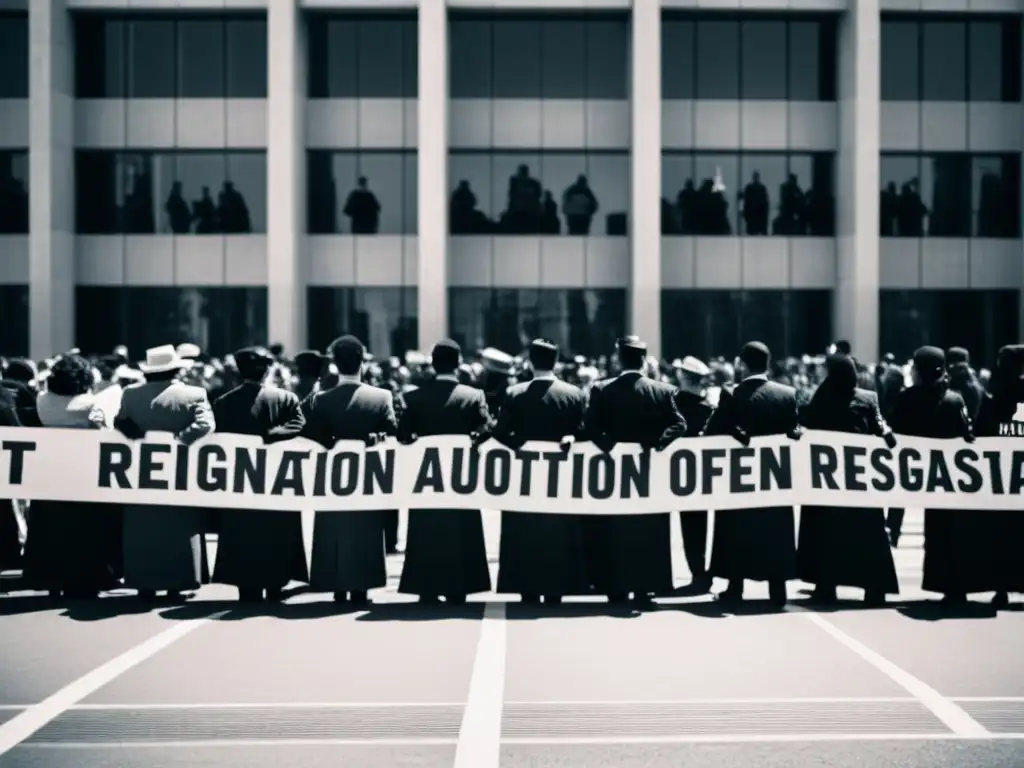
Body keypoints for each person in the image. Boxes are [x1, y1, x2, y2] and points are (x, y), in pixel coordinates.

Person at [581, 336, 687, 605]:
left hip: (614, 474)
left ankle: (615, 587)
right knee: (650, 530)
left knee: (614, 531)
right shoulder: (663, 391)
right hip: (649, 474)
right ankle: (646, 588)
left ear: (619, 358)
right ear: (643, 359)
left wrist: (608, 445)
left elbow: (589, 427)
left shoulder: (602, 390)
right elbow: (679, 424)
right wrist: (657, 443)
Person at [488, 338, 590, 603]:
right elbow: (585, 433)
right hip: (562, 481)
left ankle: (527, 589)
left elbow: (499, 433)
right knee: (559, 532)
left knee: (524, 532)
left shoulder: (514, 393)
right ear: (556, 361)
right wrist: (571, 438)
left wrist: (517, 444)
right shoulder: (574, 394)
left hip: (524, 479)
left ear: (530, 362)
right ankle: (557, 589)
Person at [796, 354, 899, 604]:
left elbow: (877, 423)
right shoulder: (831, 397)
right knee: (858, 534)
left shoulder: (856, 398)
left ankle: (840, 586)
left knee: (832, 534)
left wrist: (885, 432)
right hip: (838, 482)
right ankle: (860, 587)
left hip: (851, 482)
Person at [702, 341, 799, 607]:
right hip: (775, 480)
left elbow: (712, 432)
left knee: (736, 529)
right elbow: (795, 431)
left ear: (742, 364)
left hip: (739, 479)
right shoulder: (787, 394)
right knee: (775, 530)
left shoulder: (732, 394)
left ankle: (735, 587)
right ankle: (777, 589)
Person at [302, 336, 397, 605]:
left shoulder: (320, 400)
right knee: (366, 529)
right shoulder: (381, 397)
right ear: (363, 362)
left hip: (331, 480)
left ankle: (335, 584)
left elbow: (310, 437)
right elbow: (392, 434)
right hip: (368, 479)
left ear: (334, 364)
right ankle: (362, 586)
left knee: (331, 529)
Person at [116, 345, 215, 601]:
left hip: (140, 467)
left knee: (141, 525)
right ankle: (177, 582)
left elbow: (121, 421)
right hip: (179, 467)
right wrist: (179, 441)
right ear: (176, 369)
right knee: (179, 523)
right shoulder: (194, 393)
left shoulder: (130, 394)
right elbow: (206, 424)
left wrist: (141, 437)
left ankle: (143, 581)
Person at [888, 346, 985, 606]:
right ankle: (953, 586)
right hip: (948, 479)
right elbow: (968, 436)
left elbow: (895, 431)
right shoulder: (954, 400)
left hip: (913, 474)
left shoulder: (908, 398)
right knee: (947, 531)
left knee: (927, 529)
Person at [397, 339, 492, 603]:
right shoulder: (473, 397)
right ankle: (459, 586)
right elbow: (486, 430)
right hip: (461, 481)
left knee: (425, 530)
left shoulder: (413, 397)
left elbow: (403, 436)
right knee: (461, 530)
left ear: (432, 364)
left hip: (426, 481)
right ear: (459, 363)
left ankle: (425, 587)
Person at [211, 347, 308, 602]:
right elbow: (299, 425)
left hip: (239, 482)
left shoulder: (223, 403)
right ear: (267, 370)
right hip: (278, 480)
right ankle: (276, 584)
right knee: (277, 532)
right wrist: (273, 434)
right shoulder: (286, 398)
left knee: (242, 533)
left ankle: (247, 588)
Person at [20, 354, 120, 598]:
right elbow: (104, 432)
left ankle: (50, 577)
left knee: (49, 527)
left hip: (49, 473)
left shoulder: (42, 400)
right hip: (83, 476)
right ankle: (85, 579)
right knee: (84, 530)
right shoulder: (91, 405)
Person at [973, 344, 1024, 608]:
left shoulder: (995, 394)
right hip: (1017, 477)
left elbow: (981, 429)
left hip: (1001, 478)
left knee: (1002, 535)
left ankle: (1002, 588)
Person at [671, 356, 715, 593]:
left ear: (683, 377)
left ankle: (697, 574)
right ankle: (701, 573)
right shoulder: (709, 409)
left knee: (688, 526)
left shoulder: (674, 405)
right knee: (700, 525)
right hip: (704, 476)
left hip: (675, 476)